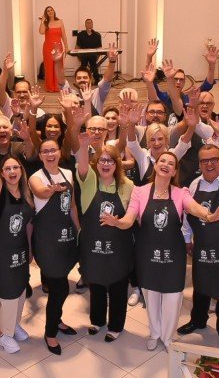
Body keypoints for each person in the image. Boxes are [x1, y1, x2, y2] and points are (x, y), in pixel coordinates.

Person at [115, 152, 214, 351]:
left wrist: (208, 215)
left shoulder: (180, 193)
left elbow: (194, 208)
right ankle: (155, 333)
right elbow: (129, 218)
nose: (166, 165)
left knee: (172, 296)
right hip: (147, 251)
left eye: (171, 163)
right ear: (156, 164)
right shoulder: (140, 191)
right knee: (151, 295)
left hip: (173, 253)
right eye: (163, 161)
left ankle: (168, 337)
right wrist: (117, 222)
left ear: (175, 171)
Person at [177, 112, 219, 350]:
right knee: (201, 288)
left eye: (213, 160)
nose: (209, 164)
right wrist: (187, 238)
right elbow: (189, 213)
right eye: (204, 161)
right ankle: (198, 321)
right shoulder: (196, 184)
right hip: (203, 248)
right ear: (199, 164)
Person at [75, 133, 134, 343]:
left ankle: (116, 325)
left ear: (117, 163)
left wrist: (118, 222)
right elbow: (82, 168)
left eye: (110, 160)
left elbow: (131, 216)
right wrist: (83, 147)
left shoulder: (127, 186)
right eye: (102, 160)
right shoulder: (89, 182)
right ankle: (97, 320)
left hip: (118, 247)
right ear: (96, 163)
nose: (106, 164)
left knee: (118, 287)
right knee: (97, 284)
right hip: (93, 246)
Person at [0, 120, 33, 353]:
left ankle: (14, 325)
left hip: (20, 250)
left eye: (16, 168)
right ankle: (4, 334)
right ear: (2, 174)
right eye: (8, 169)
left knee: (21, 290)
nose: (12, 172)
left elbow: (27, 226)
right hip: (1, 252)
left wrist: (30, 249)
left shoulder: (26, 194)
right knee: (8, 295)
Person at [29, 139, 80, 354]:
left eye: (53, 150)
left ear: (60, 152)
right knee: (60, 288)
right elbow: (40, 193)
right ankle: (50, 333)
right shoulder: (35, 177)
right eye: (45, 151)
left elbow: (72, 206)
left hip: (66, 239)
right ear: (40, 155)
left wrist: (79, 232)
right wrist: (52, 189)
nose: (50, 154)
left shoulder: (68, 174)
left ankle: (57, 321)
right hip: (47, 242)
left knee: (60, 287)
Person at [39, 6, 67, 93]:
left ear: (54, 11)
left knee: (58, 66)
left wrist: (66, 47)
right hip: (48, 47)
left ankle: (59, 86)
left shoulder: (60, 21)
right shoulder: (45, 23)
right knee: (49, 67)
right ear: (46, 13)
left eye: (51, 10)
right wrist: (42, 21)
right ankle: (50, 87)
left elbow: (64, 35)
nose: (50, 12)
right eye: (48, 11)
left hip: (58, 47)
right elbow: (41, 32)